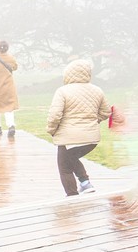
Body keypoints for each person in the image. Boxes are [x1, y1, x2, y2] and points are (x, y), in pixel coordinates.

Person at [45, 59, 111, 196]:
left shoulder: (62, 91)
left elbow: (55, 115)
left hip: (69, 139)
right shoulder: (97, 90)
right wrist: (93, 121)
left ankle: (72, 197)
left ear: (68, 74)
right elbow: (106, 112)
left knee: (65, 168)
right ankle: (85, 183)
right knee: (72, 158)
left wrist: (51, 129)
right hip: (91, 139)